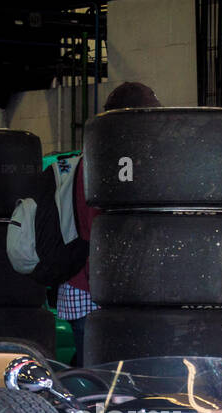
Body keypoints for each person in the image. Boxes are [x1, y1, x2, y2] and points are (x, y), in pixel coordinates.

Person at [58, 81, 161, 364]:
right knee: (97, 374)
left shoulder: (102, 156)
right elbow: (99, 231)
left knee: (94, 367)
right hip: (93, 289)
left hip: (93, 287)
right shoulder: (107, 162)